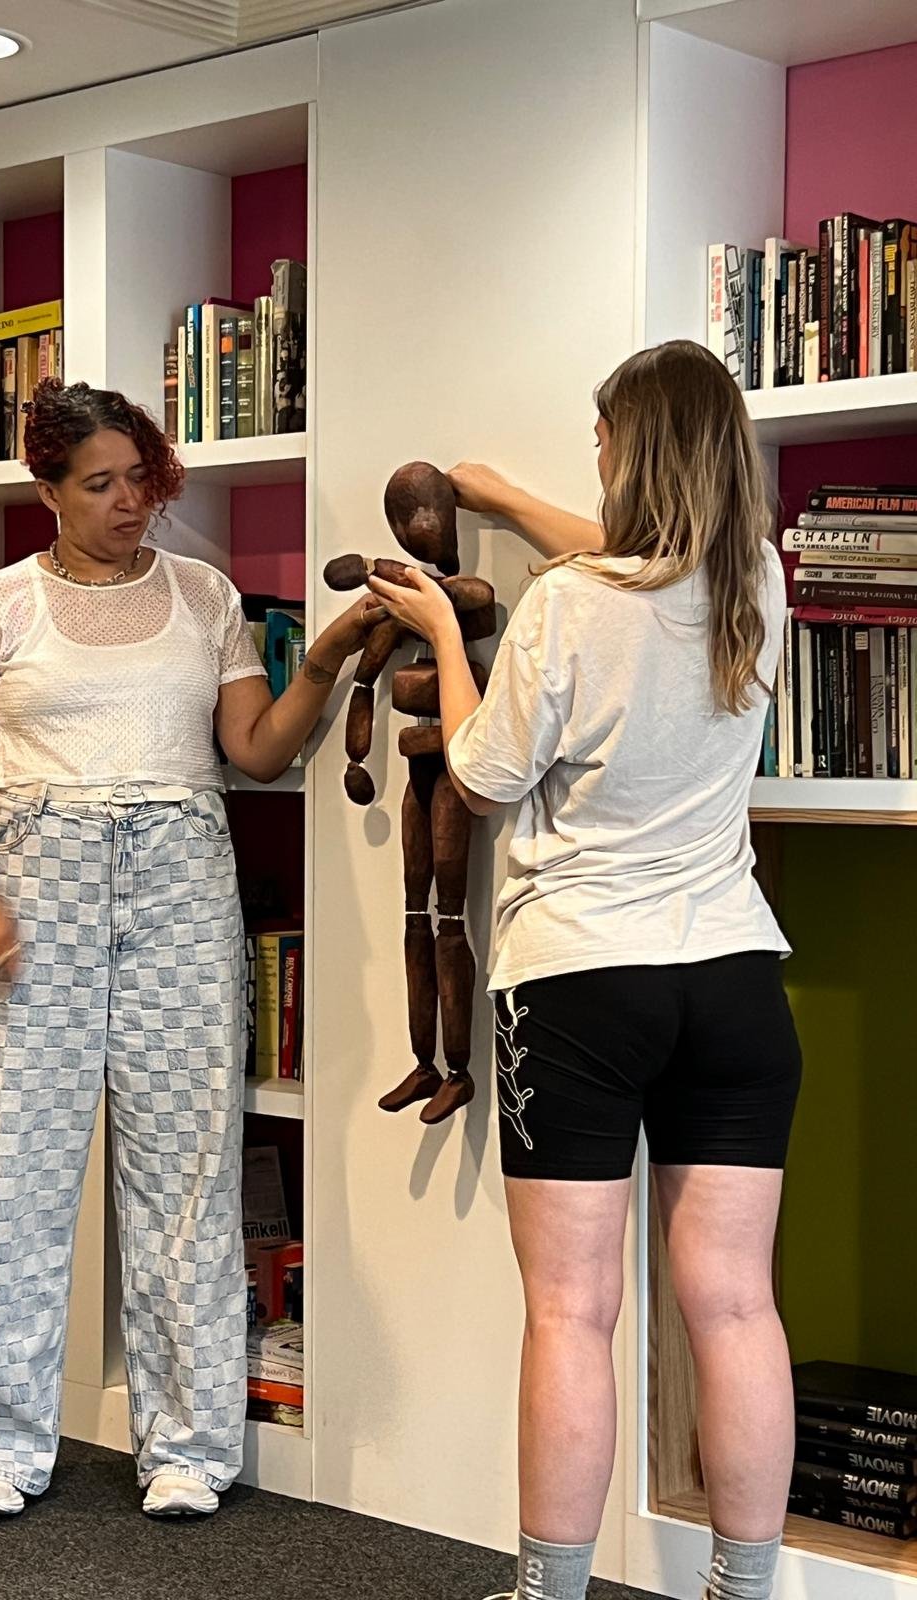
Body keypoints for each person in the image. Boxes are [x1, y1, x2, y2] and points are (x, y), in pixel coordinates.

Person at [370, 340, 801, 1600]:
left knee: (572, 1312)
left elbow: (484, 772)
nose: (594, 461)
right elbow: (641, 555)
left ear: (635, 454)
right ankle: (745, 1588)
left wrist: (449, 631)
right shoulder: (755, 583)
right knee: (733, 1309)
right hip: (731, 981)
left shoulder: (562, 607)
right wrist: (502, 499)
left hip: (578, 987)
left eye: (604, 442)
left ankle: (549, 1593)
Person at [0, 378, 379, 1521]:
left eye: (142, 479)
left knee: (185, 1175)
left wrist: (321, 661)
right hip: (31, 890)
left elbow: (256, 750)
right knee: (8, 1178)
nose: (131, 503)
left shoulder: (205, 597)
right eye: (102, 484)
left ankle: (186, 1445)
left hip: (179, 885)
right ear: (49, 491)